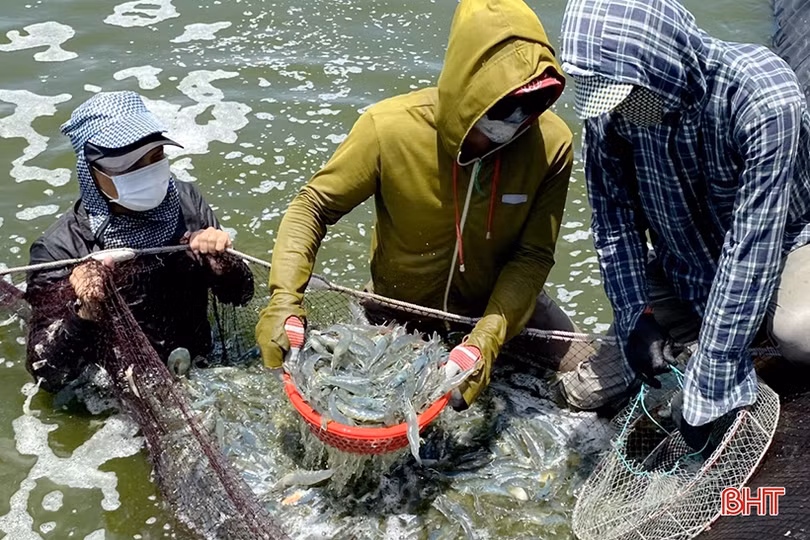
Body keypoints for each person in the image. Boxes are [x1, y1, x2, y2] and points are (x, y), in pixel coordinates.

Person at [256, 0, 576, 409]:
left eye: (526, 113)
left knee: (590, 383)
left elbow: (533, 255)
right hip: (397, 309)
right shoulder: (388, 128)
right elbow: (312, 206)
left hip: (500, 309)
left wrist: (485, 340)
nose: (510, 128)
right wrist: (285, 299)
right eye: (499, 115)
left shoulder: (552, 145)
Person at [557, 0, 810, 448]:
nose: (619, 109)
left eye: (627, 93)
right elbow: (614, 222)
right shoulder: (612, 115)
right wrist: (635, 313)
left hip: (782, 252)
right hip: (684, 270)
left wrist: (713, 373)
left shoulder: (763, 97)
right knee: (586, 394)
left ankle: (738, 351)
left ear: (660, 61)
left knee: (800, 334)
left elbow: (752, 246)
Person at [25, 91, 255, 393]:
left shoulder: (188, 202)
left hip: (201, 364)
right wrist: (86, 308)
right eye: (129, 165)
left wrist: (222, 261)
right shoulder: (59, 249)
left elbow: (241, 295)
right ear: (92, 171)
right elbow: (47, 375)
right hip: (116, 392)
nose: (147, 170)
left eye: (155, 156)